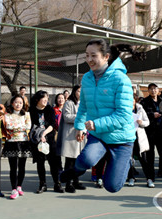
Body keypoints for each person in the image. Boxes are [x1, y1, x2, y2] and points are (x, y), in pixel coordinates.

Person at [60, 39, 140, 193]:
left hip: (121, 139)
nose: (89, 59)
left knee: (112, 186)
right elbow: (83, 105)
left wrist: (96, 124)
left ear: (106, 57)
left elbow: (124, 115)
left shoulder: (121, 80)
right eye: (87, 55)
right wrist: (79, 127)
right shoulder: (87, 78)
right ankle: (75, 172)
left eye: (93, 55)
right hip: (100, 135)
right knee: (86, 160)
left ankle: (124, 162)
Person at [29, 90, 64, 194]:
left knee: (53, 163)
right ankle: (42, 184)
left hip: (49, 139)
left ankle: (57, 184)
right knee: (40, 163)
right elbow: (31, 125)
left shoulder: (50, 109)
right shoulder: (32, 110)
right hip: (37, 140)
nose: (45, 100)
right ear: (37, 99)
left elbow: (52, 124)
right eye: (43, 98)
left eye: (47, 98)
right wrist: (38, 136)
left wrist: (44, 134)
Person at [57, 85, 87, 193]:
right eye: (79, 91)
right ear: (74, 92)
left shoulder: (83, 103)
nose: (80, 93)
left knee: (77, 160)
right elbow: (67, 117)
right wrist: (80, 117)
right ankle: (68, 183)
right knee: (70, 160)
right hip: (71, 135)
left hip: (80, 135)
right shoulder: (69, 103)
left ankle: (76, 181)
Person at [2, 95, 31, 199]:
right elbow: (8, 126)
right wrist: (20, 127)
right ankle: (13, 189)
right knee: (13, 167)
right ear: (12, 103)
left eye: (20, 102)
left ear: (23, 104)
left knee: (22, 166)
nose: (18, 104)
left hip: (23, 143)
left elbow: (28, 126)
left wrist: (15, 128)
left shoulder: (27, 114)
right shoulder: (7, 115)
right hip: (11, 142)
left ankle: (19, 186)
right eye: (16, 102)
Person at [127, 93, 151, 187]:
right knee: (129, 159)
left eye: (132, 99)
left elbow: (147, 122)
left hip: (139, 137)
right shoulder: (124, 109)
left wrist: (141, 123)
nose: (131, 101)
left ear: (135, 100)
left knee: (143, 159)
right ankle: (131, 178)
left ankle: (149, 179)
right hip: (128, 136)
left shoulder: (140, 108)